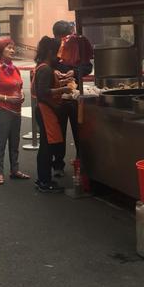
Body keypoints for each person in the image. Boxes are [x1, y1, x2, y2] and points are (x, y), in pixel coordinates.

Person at [0, 37, 29, 185]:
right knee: (1, 141)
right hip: (3, 109)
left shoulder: (15, 69)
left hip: (17, 110)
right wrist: (7, 98)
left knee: (15, 141)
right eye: (8, 47)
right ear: (0, 50)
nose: (12, 50)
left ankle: (14, 170)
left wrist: (22, 95)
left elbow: (19, 87)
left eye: (13, 47)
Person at [51, 20, 93, 178]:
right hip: (59, 97)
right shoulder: (52, 47)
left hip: (74, 96)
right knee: (59, 133)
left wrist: (74, 73)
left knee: (79, 131)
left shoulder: (77, 45)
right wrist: (55, 72)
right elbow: (45, 65)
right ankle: (58, 164)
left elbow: (88, 67)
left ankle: (80, 162)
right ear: (58, 36)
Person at [32, 36, 73, 193]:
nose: (59, 56)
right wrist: (63, 90)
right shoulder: (45, 69)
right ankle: (44, 181)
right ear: (50, 52)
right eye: (57, 52)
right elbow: (43, 93)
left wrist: (61, 83)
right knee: (46, 148)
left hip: (46, 110)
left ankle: (44, 179)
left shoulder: (44, 68)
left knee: (47, 146)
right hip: (45, 110)